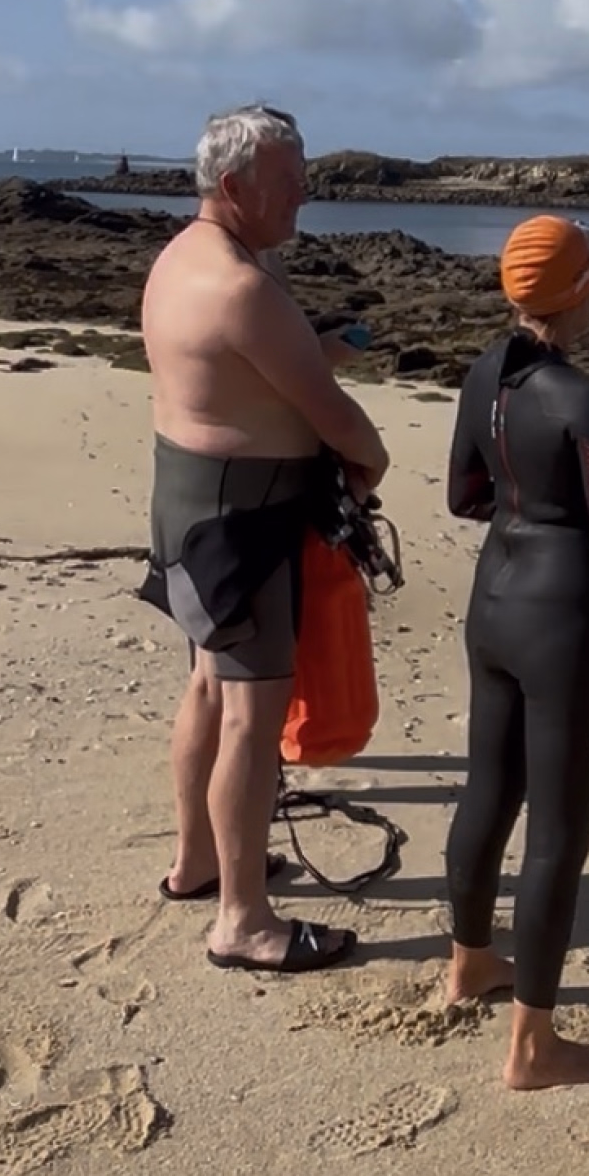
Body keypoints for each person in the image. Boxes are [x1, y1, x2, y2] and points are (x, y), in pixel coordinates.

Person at [140, 105, 389, 975]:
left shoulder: (184, 259)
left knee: (210, 687)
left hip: (187, 508)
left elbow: (237, 372)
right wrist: (371, 463)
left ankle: (198, 862)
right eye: (289, 180)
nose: (304, 193)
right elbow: (338, 419)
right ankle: (243, 921)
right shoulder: (244, 286)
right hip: (243, 523)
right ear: (236, 186)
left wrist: (306, 347)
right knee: (253, 716)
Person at [444, 217, 589, 1090]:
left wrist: (530, 495)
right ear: (579, 292)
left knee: (488, 789)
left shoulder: (485, 372)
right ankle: (532, 1047)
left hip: (494, 598)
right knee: (558, 832)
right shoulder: (584, 397)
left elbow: (465, 494)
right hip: (565, 615)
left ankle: (467, 965)